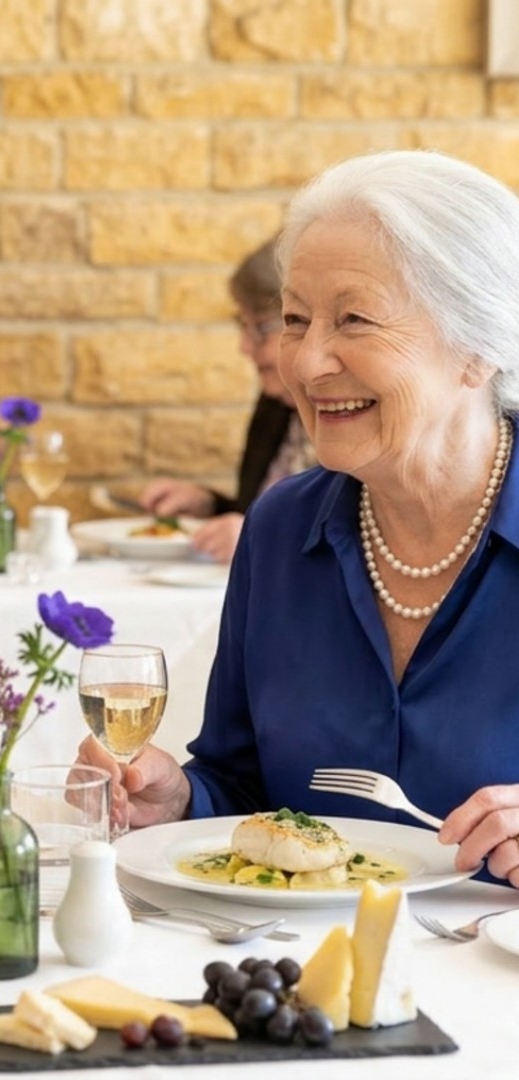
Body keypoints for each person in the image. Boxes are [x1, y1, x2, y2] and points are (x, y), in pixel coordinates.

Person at [81, 148, 519, 888]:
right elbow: (241, 786)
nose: (309, 362)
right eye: (294, 319)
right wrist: (178, 800)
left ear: (478, 344)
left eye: (354, 320)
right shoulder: (281, 528)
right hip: (294, 976)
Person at [139, 238, 315, 564]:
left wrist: (263, 544)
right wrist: (210, 506)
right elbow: (259, 515)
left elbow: (357, 548)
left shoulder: (353, 420)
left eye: (260, 328)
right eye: (242, 325)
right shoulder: (274, 409)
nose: (245, 347)